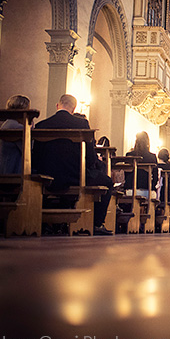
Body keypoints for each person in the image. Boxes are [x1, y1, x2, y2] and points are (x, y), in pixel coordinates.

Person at [32, 94, 113, 235]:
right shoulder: (81, 124)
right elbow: (89, 157)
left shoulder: (41, 125)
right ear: (74, 108)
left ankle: (45, 223)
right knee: (107, 182)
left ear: (58, 105)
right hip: (75, 175)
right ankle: (96, 224)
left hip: (46, 176)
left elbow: (36, 156)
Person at [0, 94, 31, 175]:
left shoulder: (7, 123)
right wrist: (29, 128)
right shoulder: (18, 127)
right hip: (9, 170)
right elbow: (27, 151)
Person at [124, 132, 158, 198]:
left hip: (131, 190)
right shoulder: (152, 157)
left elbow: (126, 174)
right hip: (148, 190)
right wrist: (151, 186)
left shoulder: (129, 155)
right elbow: (155, 177)